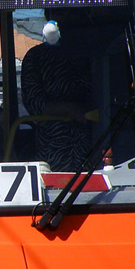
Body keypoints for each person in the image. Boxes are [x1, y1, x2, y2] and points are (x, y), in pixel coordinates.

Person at [19, 20, 94, 171]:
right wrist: (67, 109)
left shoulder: (94, 52)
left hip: (97, 141)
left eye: (74, 15)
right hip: (54, 146)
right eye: (61, 13)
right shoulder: (36, 56)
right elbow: (34, 103)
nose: (68, 19)